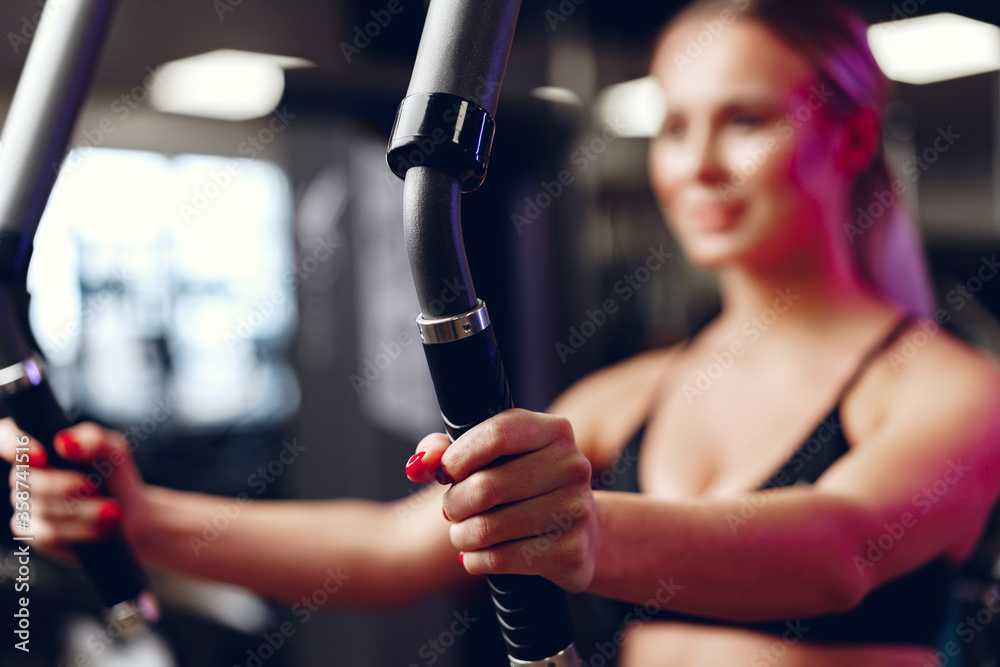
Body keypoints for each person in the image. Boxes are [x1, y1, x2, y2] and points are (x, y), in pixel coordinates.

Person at [5, 0, 1000, 664]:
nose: (694, 164)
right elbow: (391, 548)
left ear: (853, 136)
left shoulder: (945, 388)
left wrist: (583, 529)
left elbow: (842, 548)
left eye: (744, 121)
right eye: (674, 125)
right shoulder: (631, 394)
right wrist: (137, 514)